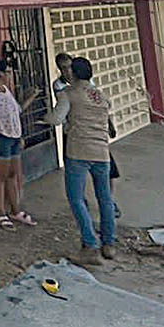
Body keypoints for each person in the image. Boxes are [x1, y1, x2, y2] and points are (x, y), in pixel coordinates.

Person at [44, 55, 116, 264]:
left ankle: (90, 245)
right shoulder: (101, 96)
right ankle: (109, 243)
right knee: (105, 198)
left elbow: (57, 118)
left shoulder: (69, 94)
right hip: (102, 152)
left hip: (79, 151)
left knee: (76, 198)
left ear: (73, 73)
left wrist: (43, 119)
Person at [54, 51, 122, 221]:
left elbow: (99, 106)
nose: (67, 72)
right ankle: (107, 237)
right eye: (63, 68)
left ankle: (93, 236)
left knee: (105, 178)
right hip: (78, 135)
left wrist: (110, 125)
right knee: (81, 182)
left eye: (69, 67)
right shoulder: (61, 87)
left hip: (93, 136)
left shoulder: (84, 86)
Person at [0, 57, 38, 229]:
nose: (10, 75)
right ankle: (1, 212)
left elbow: (16, 111)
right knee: (1, 176)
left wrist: (31, 97)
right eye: (8, 72)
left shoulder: (5, 90)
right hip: (0, 136)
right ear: (0, 73)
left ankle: (15, 209)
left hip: (12, 135)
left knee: (12, 174)